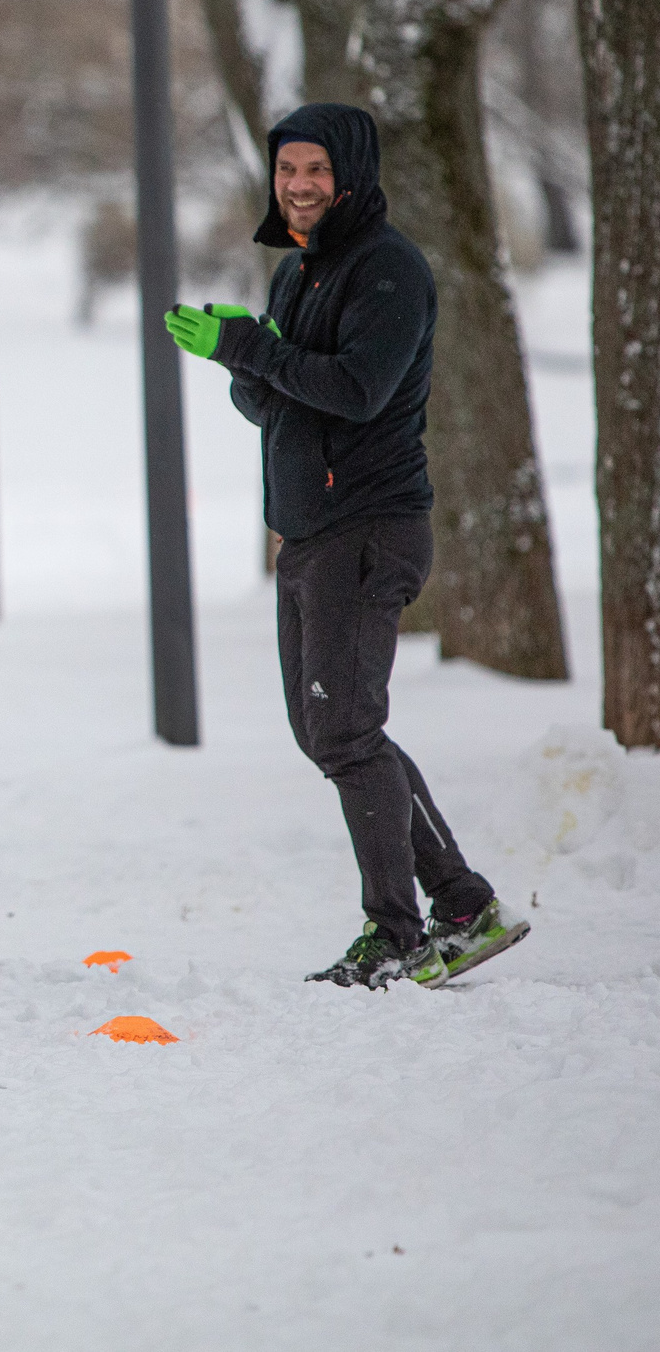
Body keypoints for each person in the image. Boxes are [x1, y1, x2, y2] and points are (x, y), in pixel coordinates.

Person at [166, 101, 528, 989]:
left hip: (368, 527)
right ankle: (464, 903)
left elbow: (360, 389)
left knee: (345, 728)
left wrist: (254, 348)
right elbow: (278, 401)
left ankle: (398, 932)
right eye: (288, 169)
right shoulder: (300, 272)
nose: (299, 185)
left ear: (352, 176)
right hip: (309, 534)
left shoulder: (388, 270)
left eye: (316, 171)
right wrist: (241, 358)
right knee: (327, 729)